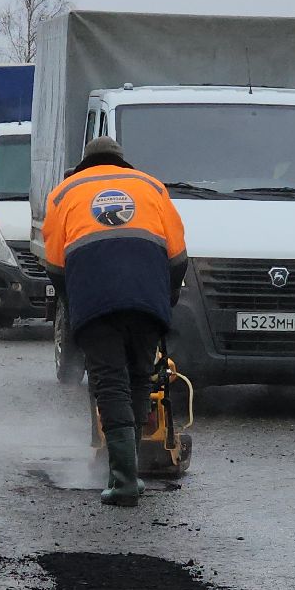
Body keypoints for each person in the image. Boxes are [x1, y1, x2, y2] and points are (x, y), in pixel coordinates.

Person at [42, 136, 188, 506]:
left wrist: (75, 304)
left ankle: (122, 479)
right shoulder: (151, 186)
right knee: (140, 378)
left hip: (95, 300)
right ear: (123, 163)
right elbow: (177, 256)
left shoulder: (63, 193)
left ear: (84, 164)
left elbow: (56, 265)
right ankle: (131, 473)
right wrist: (164, 303)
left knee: (109, 382)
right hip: (147, 299)